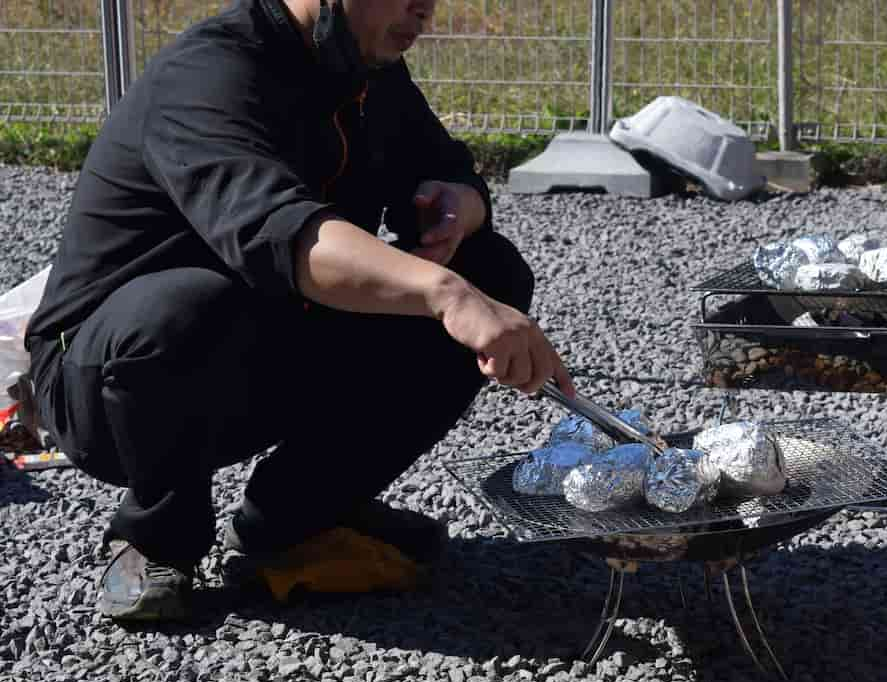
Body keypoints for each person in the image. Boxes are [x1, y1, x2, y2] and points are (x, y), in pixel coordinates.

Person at [23, 0, 575, 622]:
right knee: (189, 306)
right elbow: (281, 235)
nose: (426, 10)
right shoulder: (211, 71)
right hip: (108, 378)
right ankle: (157, 538)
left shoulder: (368, 69)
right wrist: (447, 295)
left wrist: (460, 204)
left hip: (255, 340)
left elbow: (446, 167)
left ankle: (293, 518)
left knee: (491, 271)